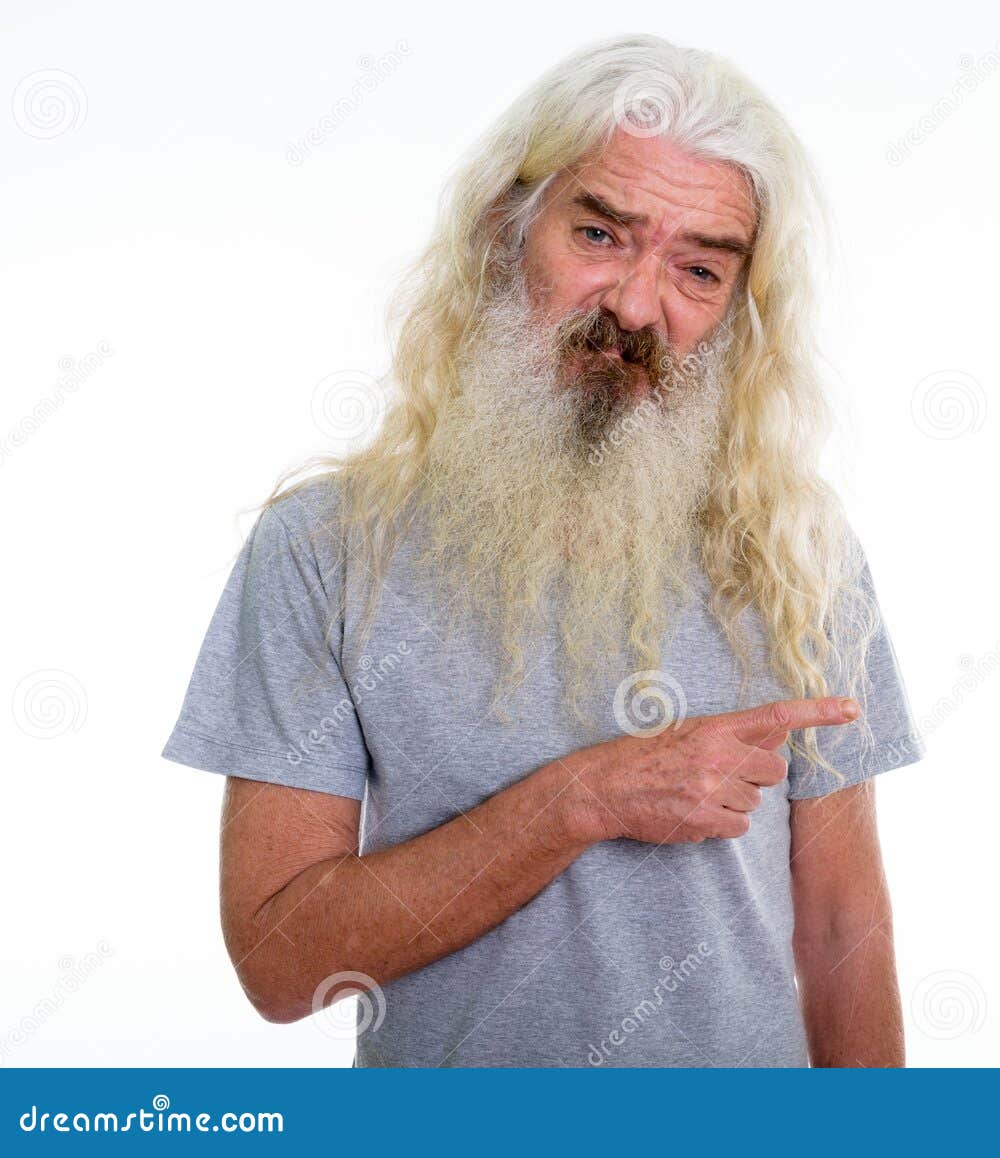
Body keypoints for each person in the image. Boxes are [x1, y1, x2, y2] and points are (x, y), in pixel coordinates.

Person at [163, 33, 924, 1067]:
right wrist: (585, 798)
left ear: (738, 313)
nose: (636, 304)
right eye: (601, 235)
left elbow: (841, 933)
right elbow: (282, 964)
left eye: (698, 269)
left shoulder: (795, 550)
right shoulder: (321, 553)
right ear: (504, 229)